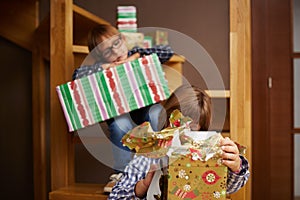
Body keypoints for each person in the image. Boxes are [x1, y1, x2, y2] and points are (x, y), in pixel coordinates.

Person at [72, 24, 174, 192]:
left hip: (145, 111)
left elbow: (167, 51)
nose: (115, 52)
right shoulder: (101, 68)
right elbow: (76, 76)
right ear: (100, 57)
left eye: (117, 44)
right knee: (121, 124)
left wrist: (137, 56)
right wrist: (104, 68)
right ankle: (122, 173)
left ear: (123, 40)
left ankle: (160, 165)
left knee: (157, 113)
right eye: (107, 52)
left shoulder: (137, 53)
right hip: (120, 116)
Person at [109, 84, 250, 199]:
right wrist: (142, 187)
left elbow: (229, 187)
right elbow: (115, 196)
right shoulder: (147, 158)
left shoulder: (210, 155)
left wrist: (235, 166)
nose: (185, 135)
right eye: (179, 126)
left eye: (193, 130)